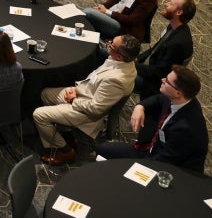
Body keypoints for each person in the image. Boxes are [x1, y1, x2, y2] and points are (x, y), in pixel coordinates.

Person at [33, 34, 139, 165]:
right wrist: (76, 90)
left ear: (119, 56)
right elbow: (94, 80)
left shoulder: (117, 79)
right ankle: (65, 132)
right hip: (83, 95)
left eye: (112, 45)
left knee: (39, 115)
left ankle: (65, 151)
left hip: (86, 113)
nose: (108, 43)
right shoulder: (122, 62)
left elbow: (95, 109)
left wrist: (73, 100)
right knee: (46, 93)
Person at [95, 64, 208, 171]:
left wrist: (130, 167)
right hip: (151, 148)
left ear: (178, 93)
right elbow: (159, 99)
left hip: (170, 169)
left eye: (167, 81)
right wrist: (140, 106)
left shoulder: (186, 129)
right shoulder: (182, 99)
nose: (162, 80)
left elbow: (163, 162)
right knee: (102, 149)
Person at [134, 0, 196, 99]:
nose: (165, 4)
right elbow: (155, 49)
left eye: (171, 4)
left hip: (153, 83)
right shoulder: (174, 26)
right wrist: (137, 59)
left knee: (116, 70)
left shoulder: (178, 44)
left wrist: (133, 66)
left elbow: (159, 72)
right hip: (149, 67)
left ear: (179, 12)